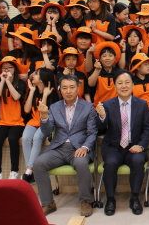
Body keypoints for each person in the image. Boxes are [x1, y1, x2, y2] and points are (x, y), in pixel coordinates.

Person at [34, 74, 98, 217]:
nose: (68, 91)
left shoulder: (88, 107)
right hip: (58, 148)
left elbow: (92, 132)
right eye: (64, 88)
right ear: (60, 90)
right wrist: (44, 116)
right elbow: (47, 131)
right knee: (38, 164)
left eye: (71, 87)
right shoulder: (54, 107)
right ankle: (48, 203)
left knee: (81, 163)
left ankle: (86, 201)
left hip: (78, 148)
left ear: (78, 88)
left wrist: (85, 147)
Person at [95, 69, 149, 216]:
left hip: (134, 146)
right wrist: (101, 116)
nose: (124, 86)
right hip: (113, 147)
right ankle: (110, 199)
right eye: (120, 83)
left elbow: (147, 129)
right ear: (115, 86)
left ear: (133, 85)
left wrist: (141, 145)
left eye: (127, 82)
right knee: (110, 163)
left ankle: (134, 198)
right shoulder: (107, 105)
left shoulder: (142, 104)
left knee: (138, 161)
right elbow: (100, 128)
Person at [0, 57, 26, 180]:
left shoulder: (21, 83)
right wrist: (2, 81)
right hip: (2, 121)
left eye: (10, 68)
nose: (7, 70)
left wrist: (9, 83)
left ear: (15, 69)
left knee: (13, 139)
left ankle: (14, 170)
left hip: (17, 122)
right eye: (4, 68)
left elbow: (16, 97)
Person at [21, 67, 57, 184]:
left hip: (45, 122)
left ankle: (29, 170)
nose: (33, 76)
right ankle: (30, 171)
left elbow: (44, 114)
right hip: (33, 121)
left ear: (42, 79)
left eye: (36, 74)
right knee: (26, 138)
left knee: (37, 137)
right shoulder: (33, 90)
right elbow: (27, 110)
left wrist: (45, 96)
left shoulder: (52, 94)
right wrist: (31, 91)